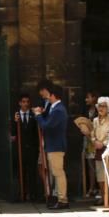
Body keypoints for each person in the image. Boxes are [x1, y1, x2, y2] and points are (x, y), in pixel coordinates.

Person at [34, 81, 69, 209]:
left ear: (54, 95)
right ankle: (59, 197)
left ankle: (63, 199)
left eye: (50, 94)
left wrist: (38, 116)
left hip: (56, 145)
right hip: (53, 145)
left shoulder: (58, 110)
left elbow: (46, 125)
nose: (47, 96)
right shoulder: (55, 108)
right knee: (56, 172)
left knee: (58, 172)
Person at [11, 93, 41, 201]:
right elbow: (13, 133)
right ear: (19, 103)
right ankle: (22, 193)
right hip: (20, 149)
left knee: (32, 172)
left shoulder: (33, 115)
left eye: (27, 102)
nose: (26, 104)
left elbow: (37, 132)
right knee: (21, 172)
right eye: (23, 102)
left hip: (32, 149)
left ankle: (33, 194)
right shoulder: (16, 115)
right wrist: (15, 122)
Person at [90, 98, 109, 199]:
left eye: (103, 106)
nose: (101, 108)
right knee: (99, 175)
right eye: (99, 106)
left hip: (108, 149)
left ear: (108, 107)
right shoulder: (95, 120)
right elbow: (92, 132)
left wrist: (103, 143)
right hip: (97, 149)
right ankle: (103, 197)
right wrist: (94, 141)